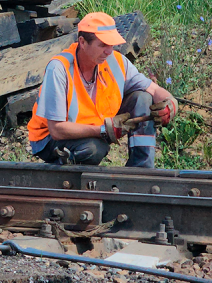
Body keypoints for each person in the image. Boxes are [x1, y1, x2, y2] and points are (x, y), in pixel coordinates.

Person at [27, 12, 177, 167]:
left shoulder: (116, 62)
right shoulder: (59, 69)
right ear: (82, 42)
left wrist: (171, 102)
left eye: (111, 45)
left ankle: (140, 171)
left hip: (95, 127)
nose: (109, 51)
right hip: (50, 139)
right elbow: (56, 130)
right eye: (103, 45)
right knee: (94, 149)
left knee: (143, 98)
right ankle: (66, 168)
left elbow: (152, 89)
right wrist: (102, 130)